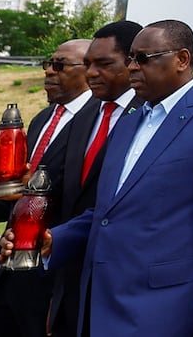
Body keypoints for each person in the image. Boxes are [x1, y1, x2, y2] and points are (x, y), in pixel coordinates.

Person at [38, 20, 193, 337]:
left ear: (182, 59)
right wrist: (57, 239)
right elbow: (110, 212)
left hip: (166, 312)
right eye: (129, 59)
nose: (132, 67)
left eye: (143, 58)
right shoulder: (129, 121)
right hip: (101, 305)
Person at [0, 39, 94, 337]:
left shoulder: (99, 122)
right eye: (48, 63)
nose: (48, 71)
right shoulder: (43, 119)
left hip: (51, 273)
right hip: (6, 266)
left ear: (90, 70)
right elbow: (21, 193)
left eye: (59, 65)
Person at [48, 19, 142, 337]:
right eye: (88, 64)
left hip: (124, 284)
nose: (90, 74)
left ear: (133, 62)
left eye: (103, 64)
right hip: (69, 274)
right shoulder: (85, 114)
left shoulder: (153, 116)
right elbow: (57, 186)